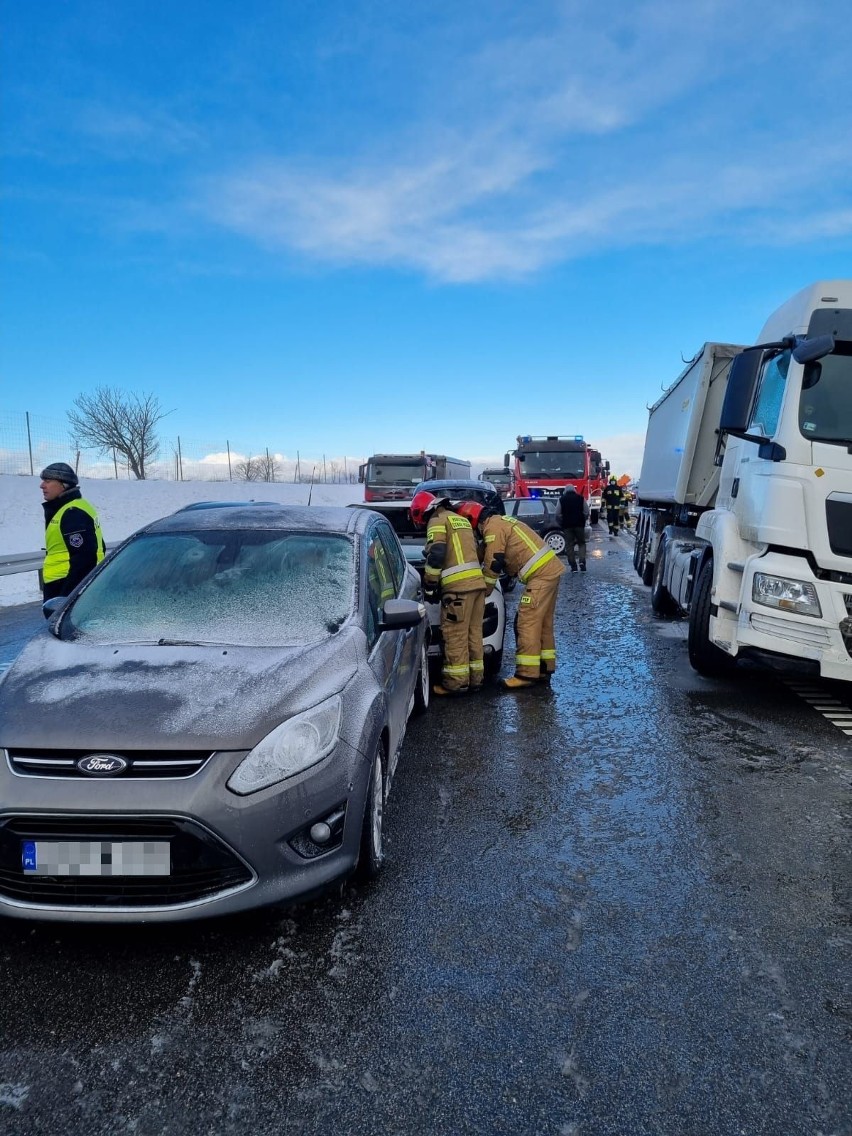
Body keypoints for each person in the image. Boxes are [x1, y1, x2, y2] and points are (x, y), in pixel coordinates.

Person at [456, 500, 565, 690]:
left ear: (473, 521)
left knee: (526, 622)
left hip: (540, 575)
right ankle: (544, 667)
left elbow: (494, 560)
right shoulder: (499, 522)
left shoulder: (493, 529)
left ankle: (526, 674)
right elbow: (482, 552)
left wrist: (485, 589)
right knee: (543, 622)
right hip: (549, 571)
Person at [410, 490, 487, 696]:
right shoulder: (459, 519)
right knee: (473, 633)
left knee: (455, 634)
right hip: (476, 585)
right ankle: (476, 679)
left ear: (421, 512)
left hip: (458, 589)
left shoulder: (436, 520)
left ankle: (456, 683)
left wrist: (429, 584)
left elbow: (437, 553)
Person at [39, 462, 105, 612]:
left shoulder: (72, 512)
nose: (42, 485)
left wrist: (66, 599)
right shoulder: (69, 507)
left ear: (64, 485)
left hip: (66, 588)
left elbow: (85, 558)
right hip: (64, 585)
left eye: (48, 481)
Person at [558, 484, 589, 571]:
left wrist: (562, 522)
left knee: (569, 545)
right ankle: (582, 561)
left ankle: (573, 566)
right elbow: (586, 511)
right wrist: (583, 519)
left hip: (567, 526)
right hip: (579, 525)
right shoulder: (581, 498)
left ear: (565, 490)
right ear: (574, 490)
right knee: (581, 543)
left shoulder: (561, 499)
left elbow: (557, 514)